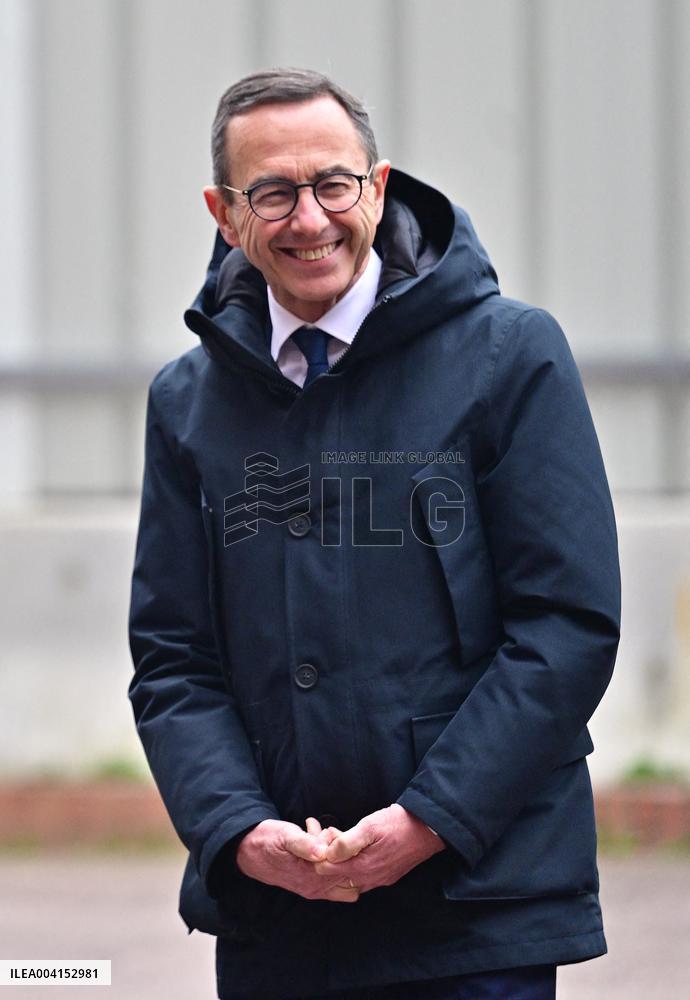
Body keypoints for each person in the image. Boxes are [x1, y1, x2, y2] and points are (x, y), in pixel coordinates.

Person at [128, 68, 621, 1000]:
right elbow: (172, 659)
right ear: (224, 213)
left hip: (479, 913)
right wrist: (236, 828)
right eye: (271, 192)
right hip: (282, 925)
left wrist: (431, 819)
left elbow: (565, 627)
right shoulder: (187, 404)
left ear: (379, 186)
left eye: (333, 184)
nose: (308, 218)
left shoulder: (510, 358)